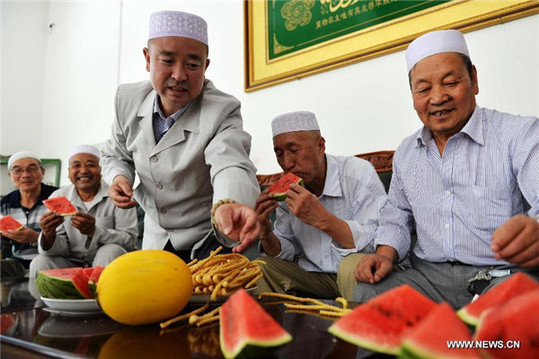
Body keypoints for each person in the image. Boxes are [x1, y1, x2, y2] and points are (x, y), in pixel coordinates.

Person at [353, 30, 539, 308]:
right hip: (429, 279)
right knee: (369, 292)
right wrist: (385, 255)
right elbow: (397, 214)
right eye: (424, 89)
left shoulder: (519, 134)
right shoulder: (407, 151)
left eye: (450, 82)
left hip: (501, 276)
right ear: (413, 95)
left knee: (518, 304)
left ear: (474, 80)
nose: (438, 97)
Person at [100, 10, 260, 263]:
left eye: (193, 64)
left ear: (205, 67)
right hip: (157, 237)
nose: (179, 75)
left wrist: (231, 202)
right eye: (167, 60)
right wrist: (119, 176)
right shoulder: (127, 100)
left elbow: (231, 162)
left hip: (209, 236)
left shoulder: (221, 109)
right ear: (147, 59)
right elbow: (116, 153)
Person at [255, 111, 387, 299]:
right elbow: (289, 251)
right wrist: (265, 233)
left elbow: (378, 243)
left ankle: (357, 327)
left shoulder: (357, 173)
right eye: (279, 153)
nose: (287, 163)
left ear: (320, 145)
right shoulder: (289, 190)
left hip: (356, 273)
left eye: (294, 151)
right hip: (314, 277)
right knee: (260, 268)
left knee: (352, 266)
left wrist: (322, 219)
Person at [29, 145, 138, 277]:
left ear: (101, 170)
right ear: (69, 173)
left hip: (108, 262)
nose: (84, 170)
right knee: (40, 262)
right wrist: (48, 235)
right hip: (71, 263)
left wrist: (94, 231)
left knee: (109, 251)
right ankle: (46, 298)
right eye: (76, 166)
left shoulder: (118, 194)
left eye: (90, 165)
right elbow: (61, 248)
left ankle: (106, 295)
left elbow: (130, 241)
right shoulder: (58, 197)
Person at [1, 152, 58, 277]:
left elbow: (70, 241)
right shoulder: (5, 203)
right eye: (18, 171)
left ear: (42, 172)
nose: (25, 175)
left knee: (40, 264)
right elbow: (3, 241)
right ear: (10, 176)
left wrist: (36, 238)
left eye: (31, 169)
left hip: (52, 261)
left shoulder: (57, 197)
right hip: (18, 264)